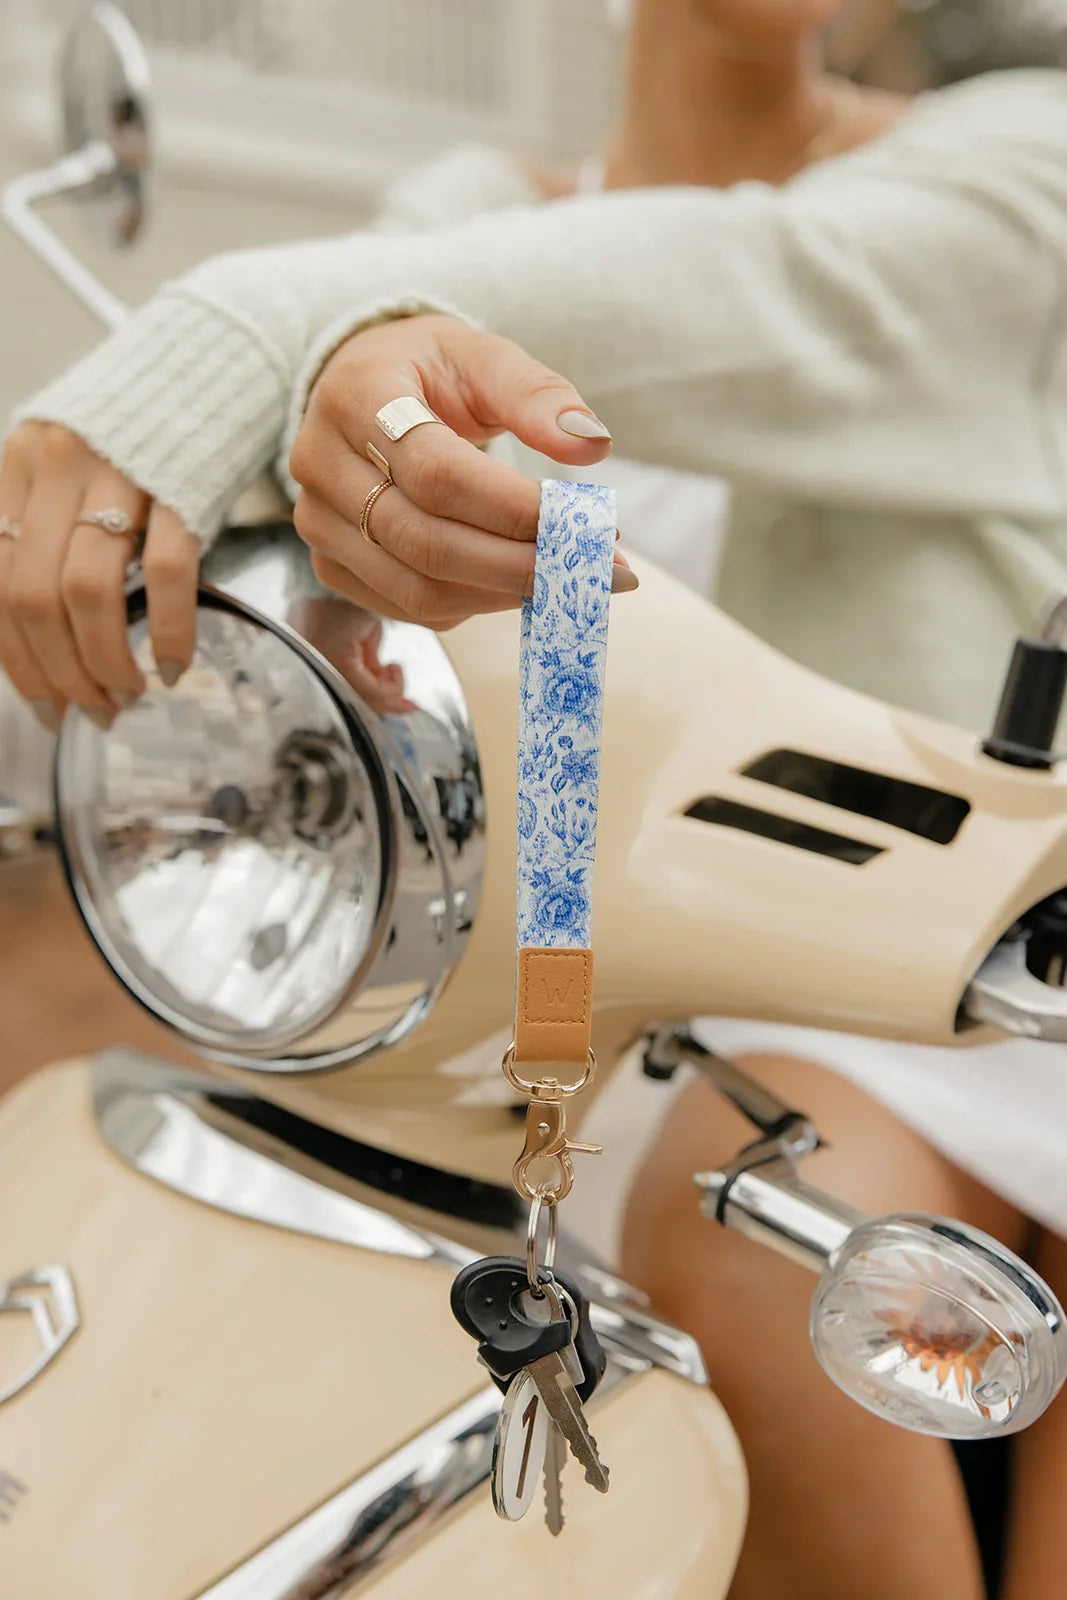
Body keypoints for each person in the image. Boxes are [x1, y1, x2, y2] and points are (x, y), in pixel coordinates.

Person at [4, 1, 1067, 1593]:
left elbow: (744, 295)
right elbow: (261, 506)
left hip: (928, 952)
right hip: (489, 981)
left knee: (758, 1237)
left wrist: (243, 336)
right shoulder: (466, 209)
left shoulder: (1019, 157)